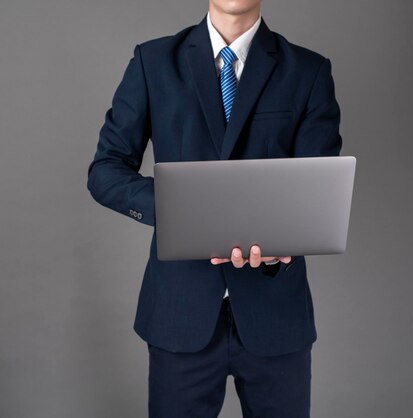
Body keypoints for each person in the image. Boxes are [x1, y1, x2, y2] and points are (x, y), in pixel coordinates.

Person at [86, 0, 342, 416]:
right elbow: (105, 172)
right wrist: (180, 211)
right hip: (179, 311)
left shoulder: (308, 71)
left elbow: (318, 189)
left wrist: (286, 237)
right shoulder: (152, 62)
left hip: (276, 311)